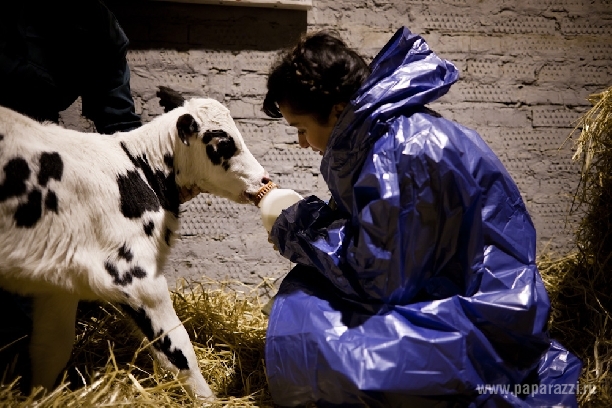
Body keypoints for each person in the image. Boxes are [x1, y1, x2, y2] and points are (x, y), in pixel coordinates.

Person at [262, 27, 582, 407]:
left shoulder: (400, 151)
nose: (301, 142)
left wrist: (296, 228)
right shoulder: (390, 134)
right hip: (458, 288)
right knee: (305, 294)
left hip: (486, 316)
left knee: (307, 339)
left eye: (302, 129)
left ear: (335, 110)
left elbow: (380, 277)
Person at [0, 0, 141, 390]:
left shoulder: (100, 27)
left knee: (36, 295)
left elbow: (120, 120)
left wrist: (151, 175)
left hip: (33, 149)